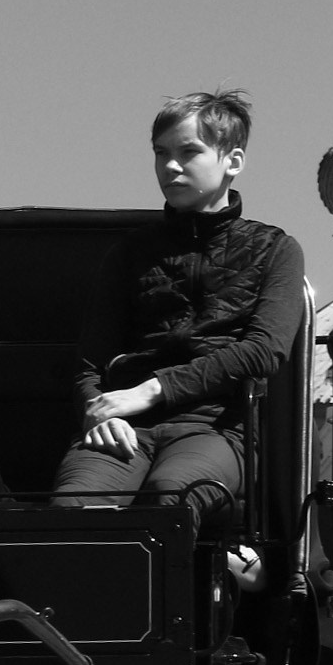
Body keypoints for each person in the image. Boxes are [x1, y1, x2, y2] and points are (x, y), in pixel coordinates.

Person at [52, 92, 305, 509]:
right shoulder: (129, 253)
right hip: (125, 423)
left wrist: (153, 390)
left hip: (215, 427)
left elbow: (264, 351)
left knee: (170, 497)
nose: (170, 166)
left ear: (233, 161)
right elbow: (89, 365)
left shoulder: (275, 249)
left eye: (188, 152)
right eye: (161, 153)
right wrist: (98, 412)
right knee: (76, 508)